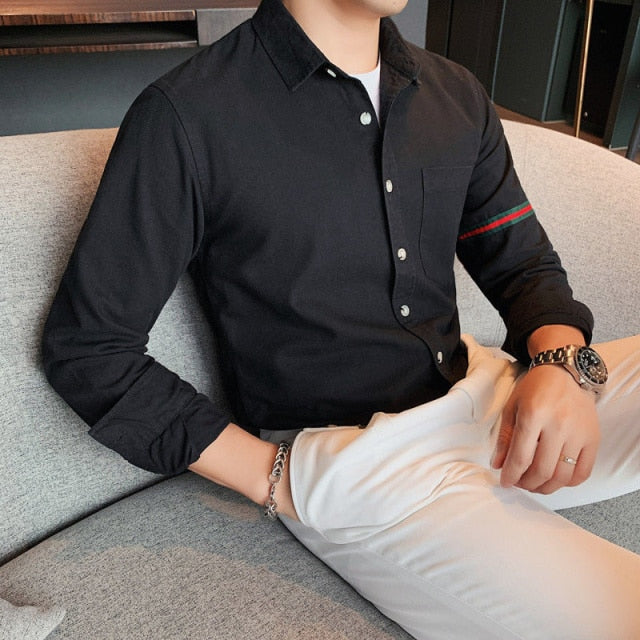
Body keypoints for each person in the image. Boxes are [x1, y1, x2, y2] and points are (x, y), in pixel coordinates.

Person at [42, 0, 640, 637]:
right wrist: (276, 479)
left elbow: (522, 264)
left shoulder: (454, 92)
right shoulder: (188, 113)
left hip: (492, 396)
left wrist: (560, 363)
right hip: (362, 468)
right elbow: (89, 350)